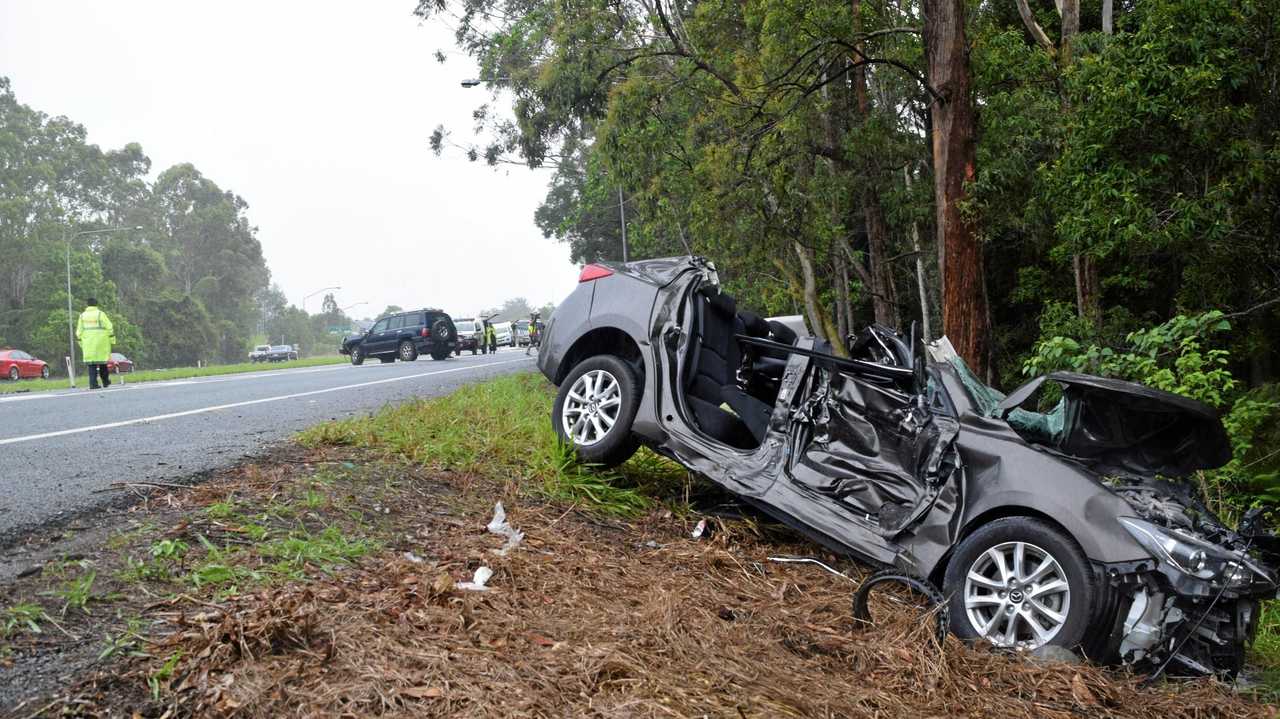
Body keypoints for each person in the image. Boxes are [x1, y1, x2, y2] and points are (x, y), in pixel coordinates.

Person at [76, 297, 115, 390]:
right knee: (102, 363)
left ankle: (93, 384)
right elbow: (109, 327)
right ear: (96, 304)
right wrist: (112, 339)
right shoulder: (101, 314)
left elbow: (79, 331)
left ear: (87, 304)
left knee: (91, 364)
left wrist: (81, 342)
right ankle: (105, 382)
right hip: (101, 342)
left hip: (88, 343)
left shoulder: (82, 316)